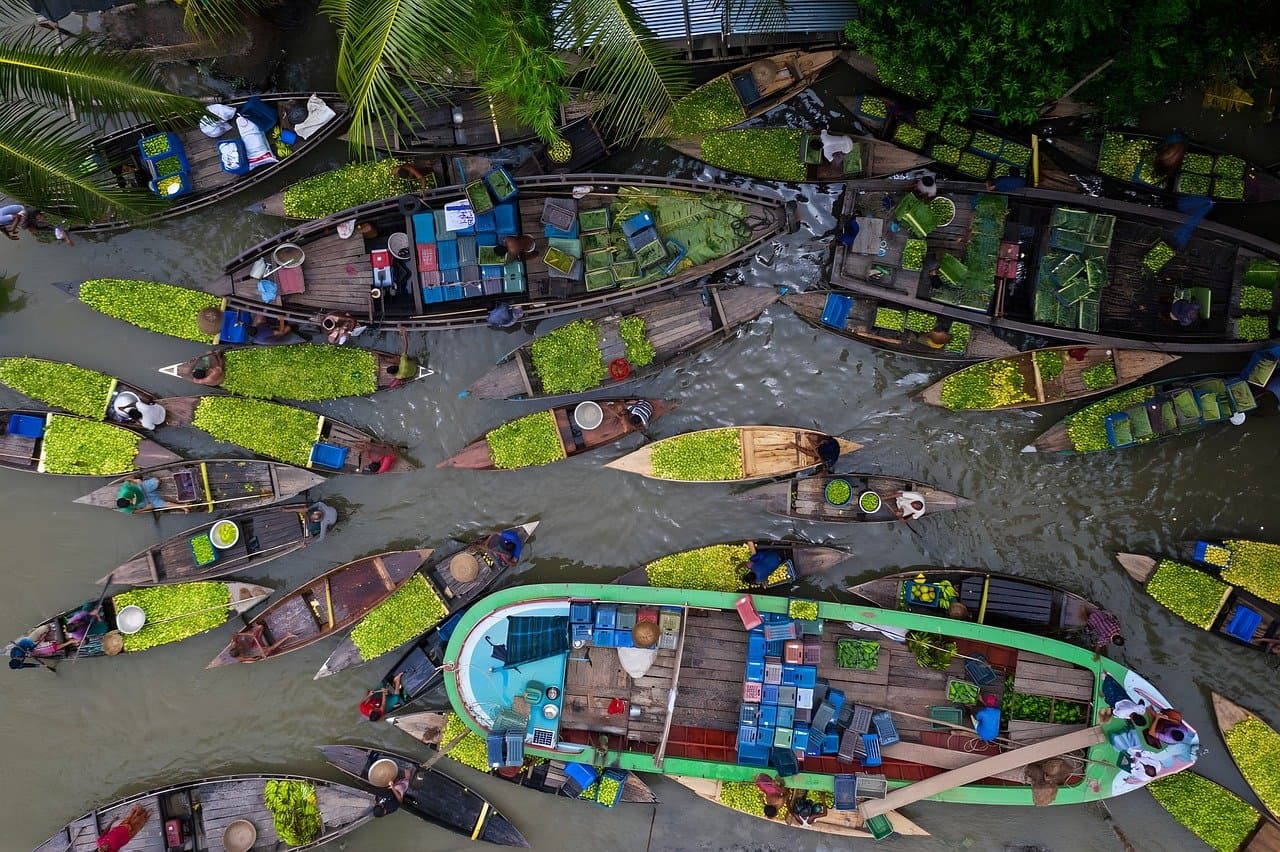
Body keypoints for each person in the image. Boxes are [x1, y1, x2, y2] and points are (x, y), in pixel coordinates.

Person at [229, 623, 295, 661]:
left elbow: (235, 634)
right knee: (269, 649)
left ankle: (255, 630)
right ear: (240, 653)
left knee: (260, 627)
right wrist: (261, 655)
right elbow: (253, 659)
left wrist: (249, 634)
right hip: (252, 648)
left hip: (248, 640)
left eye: (239, 648)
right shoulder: (241, 657)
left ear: (236, 647)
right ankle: (288, 636)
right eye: (240, 650)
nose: (241, 648)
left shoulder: (234, 643)